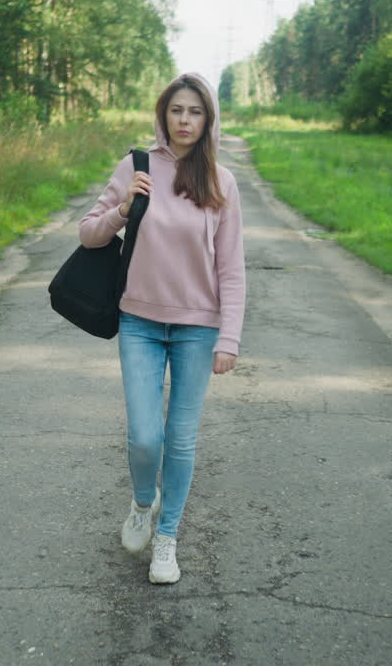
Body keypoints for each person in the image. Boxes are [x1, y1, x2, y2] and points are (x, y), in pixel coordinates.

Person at [78, 73, 245, 584]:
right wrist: (124, 209)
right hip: (140, 322)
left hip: (198, 328)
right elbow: (88, 234)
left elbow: (231, 267)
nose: (185, 120)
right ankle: (143, 504)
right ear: (163, 114)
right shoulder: (138, 166)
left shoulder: (221, 180)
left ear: (207, 118)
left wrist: (229, 337)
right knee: (145, 436)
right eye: (177, 110)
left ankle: (167, 537)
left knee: (181, 439)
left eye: (195, 111)